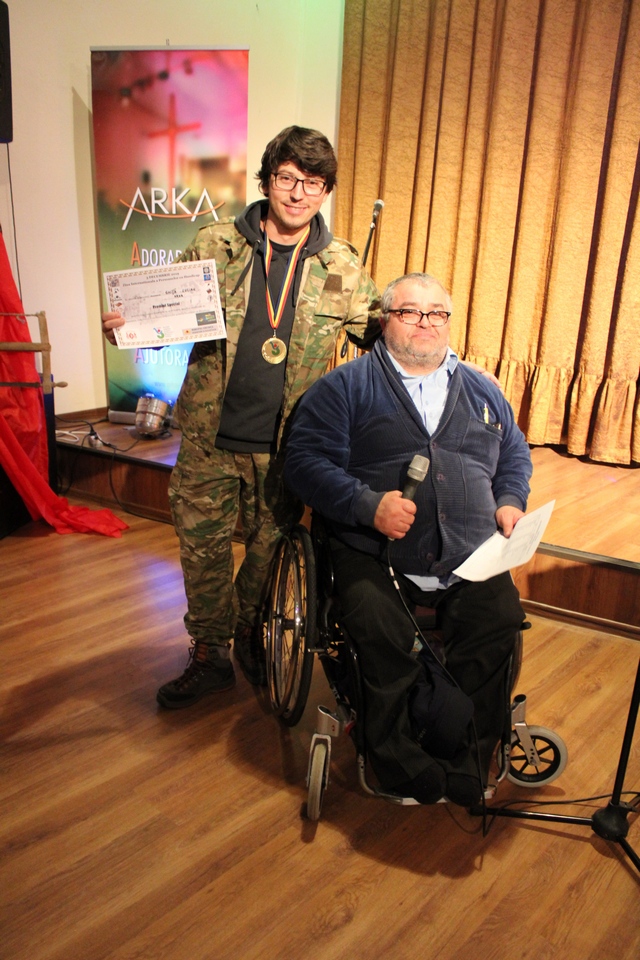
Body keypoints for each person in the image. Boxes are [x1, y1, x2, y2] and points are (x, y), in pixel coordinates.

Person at [103, 126, 381, 707]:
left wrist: (417, 325)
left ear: (326, 191)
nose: (298, 193)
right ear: (266, 180)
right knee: (202, 552)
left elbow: (375, 332)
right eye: (287, 178)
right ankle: (210, 655)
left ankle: (253, 636)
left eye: (313, 183)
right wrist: (129, 325)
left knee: (268, 552)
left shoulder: (343, 266)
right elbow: (161, 315)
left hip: (288, 446)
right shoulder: (214, 245)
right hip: (210, 439)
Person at [284, 272, 532, 806]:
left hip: (469, 552)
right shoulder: (343, 388)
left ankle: (467, 757)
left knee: (497, 621)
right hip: (373, 552)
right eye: (410, 312)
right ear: (384, 321)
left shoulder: (483, 389)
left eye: (437, 313)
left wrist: (510, 499)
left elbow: (514, 454)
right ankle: (396, 758)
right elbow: (303, 463)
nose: (426, 323)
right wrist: (367, 505)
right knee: (381, 631)